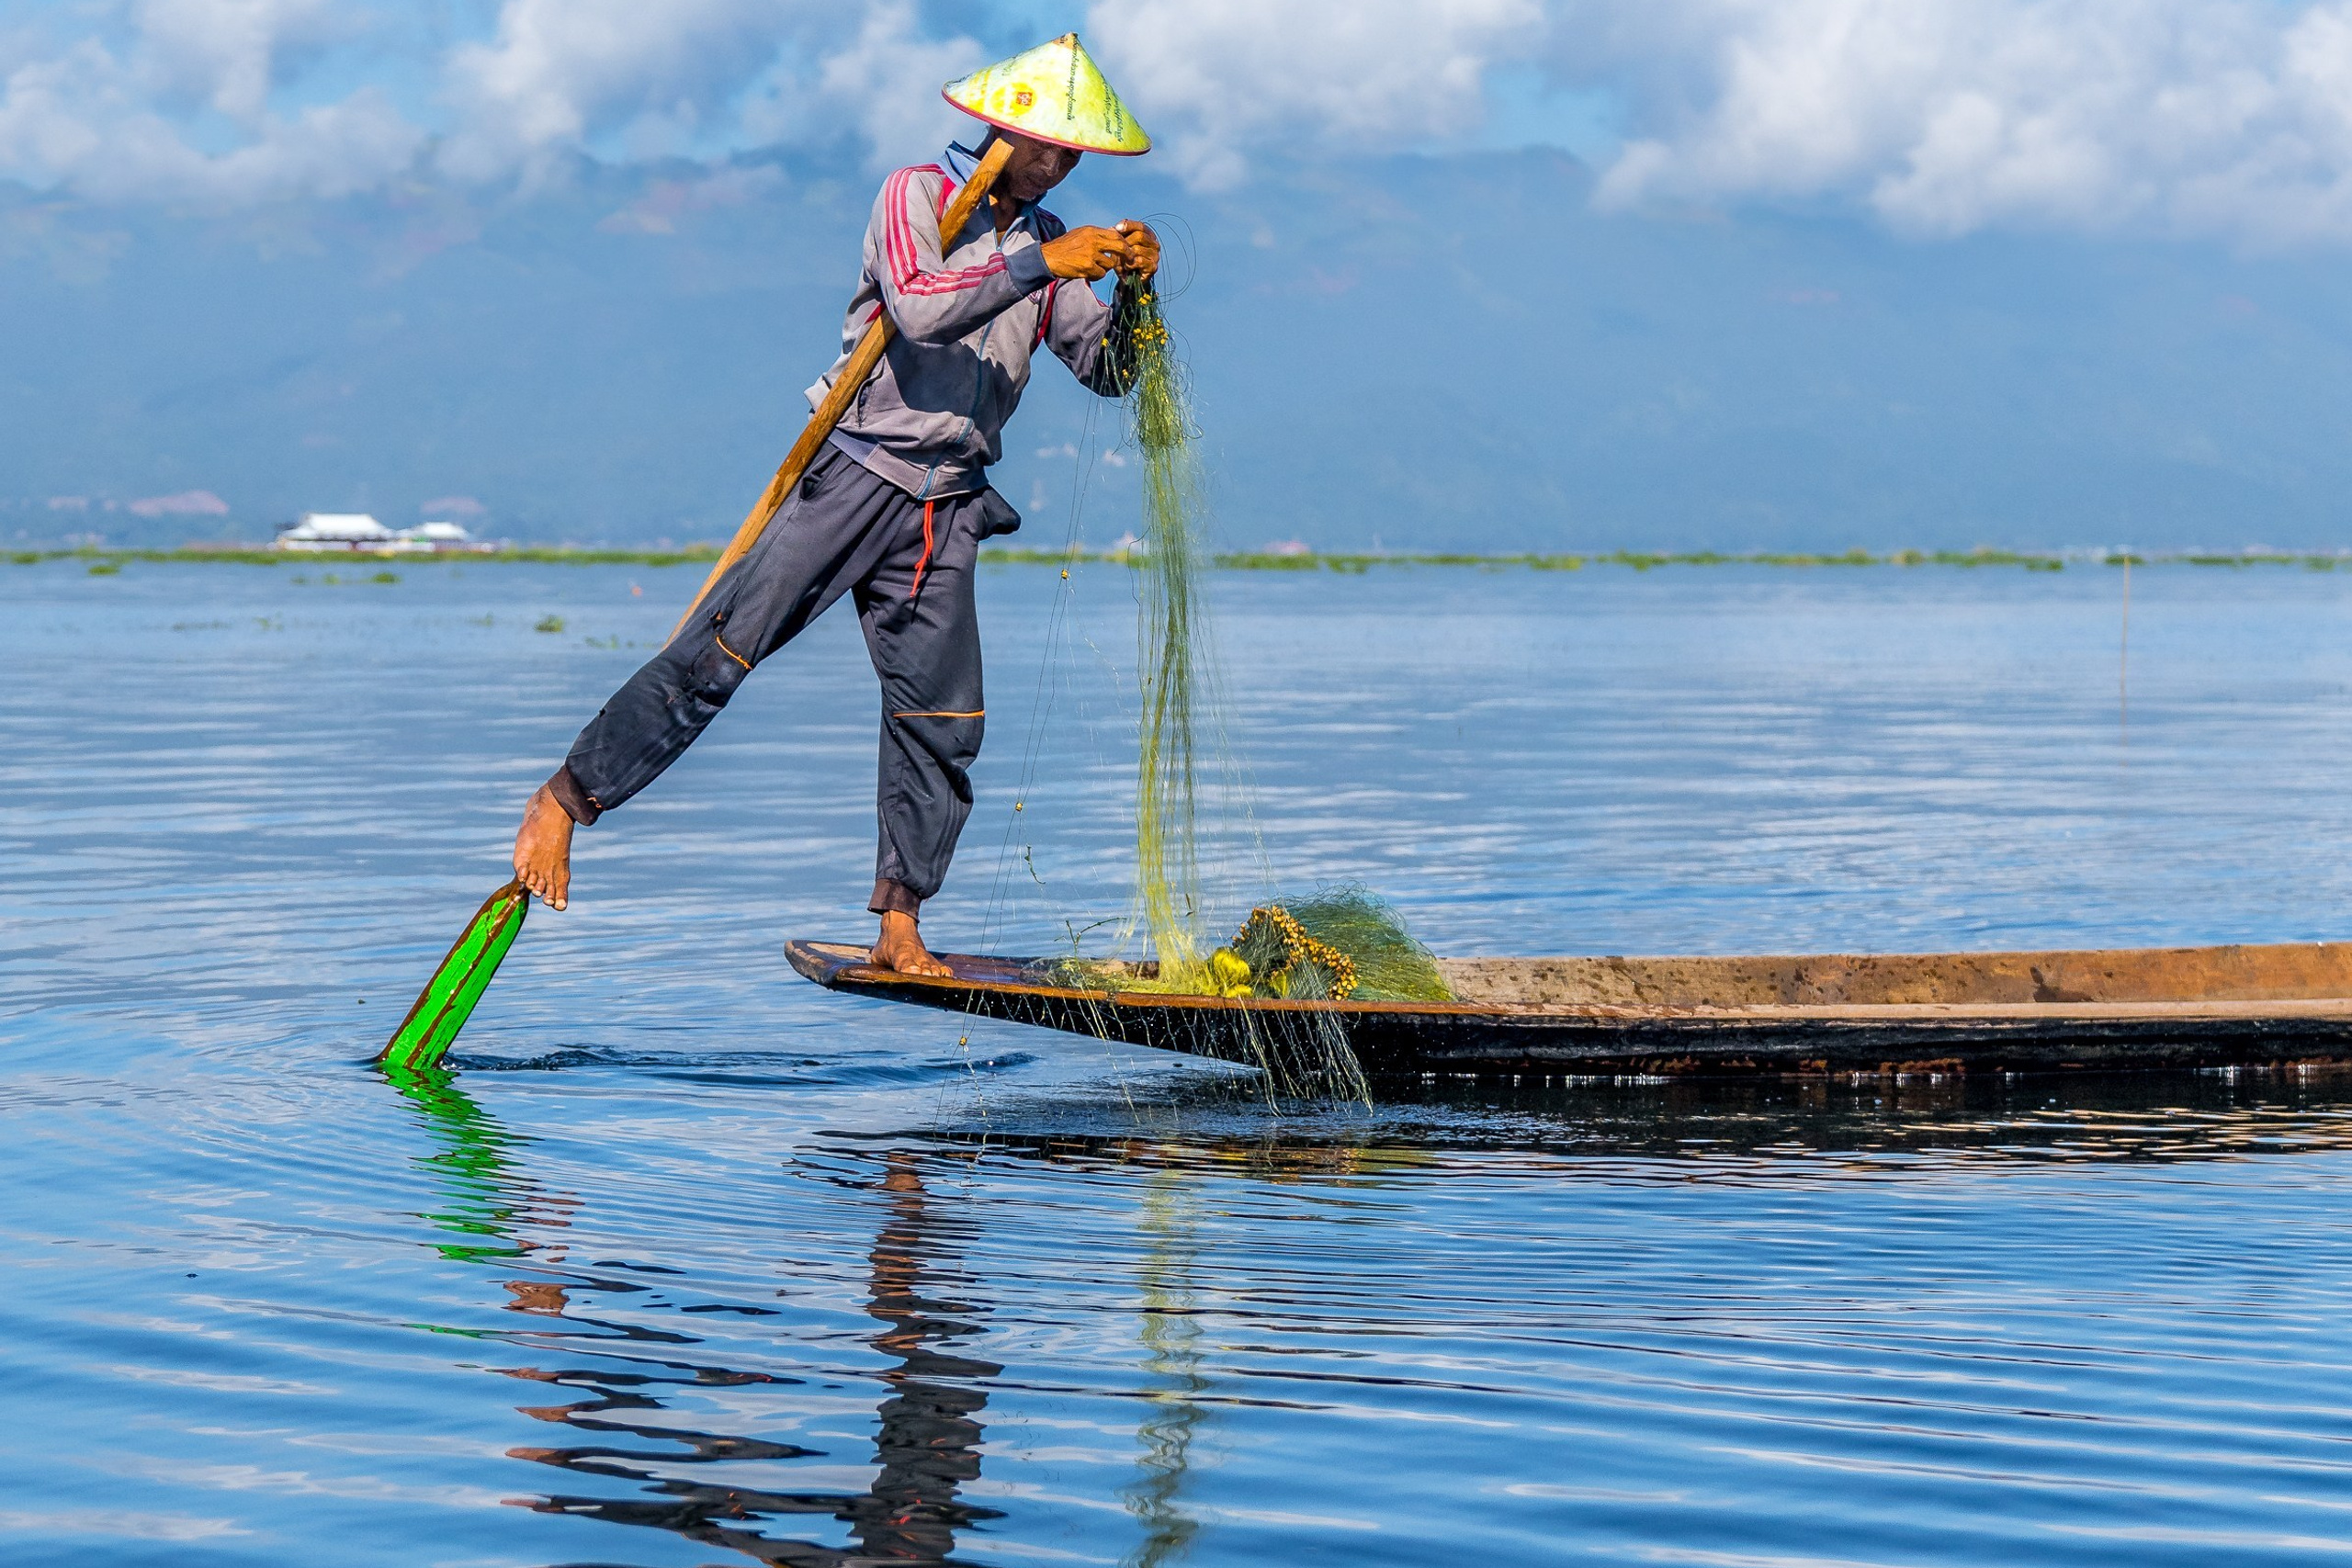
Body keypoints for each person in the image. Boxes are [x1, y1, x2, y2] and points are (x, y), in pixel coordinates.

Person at [508, 35, 1158, 978]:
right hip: (856, 474)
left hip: (947, 503)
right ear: (1000, 131)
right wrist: (1043, 264)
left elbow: (1108, 372)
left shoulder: (1041, 244)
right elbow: (924, 306)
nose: (1060, 162)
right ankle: (567, 799)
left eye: (1073, 151)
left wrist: (1135, 291)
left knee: (944, 721)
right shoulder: (915, 198)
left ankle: (899, 925)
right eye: (1046, 144)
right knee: (718, 655)